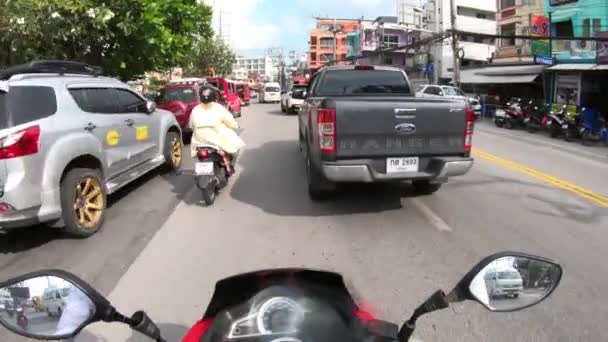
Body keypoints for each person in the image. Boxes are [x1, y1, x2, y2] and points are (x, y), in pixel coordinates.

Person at [189, 87, 245, 168]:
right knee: (236, 148)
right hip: (217, 140)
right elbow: (230, 121)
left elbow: (191, 125)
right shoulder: (218, 108)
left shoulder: (195, 109)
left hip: (199, 141)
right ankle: (231, 166)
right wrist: (236, 126)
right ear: (214, 97)